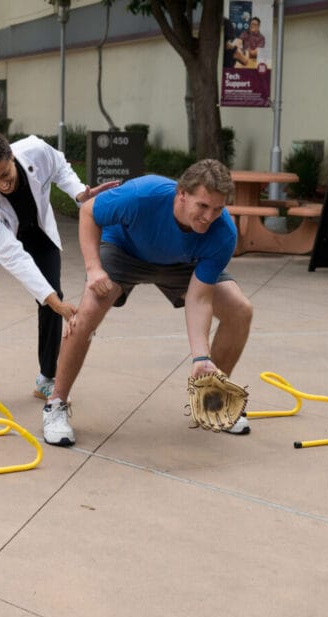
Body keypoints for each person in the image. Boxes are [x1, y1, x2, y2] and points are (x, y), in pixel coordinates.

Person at [42, 159, 254, 447]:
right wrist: (94, 268)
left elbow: (198, 297)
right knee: (88, 312)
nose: (209, 217)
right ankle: (56, 404)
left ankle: (211, 400)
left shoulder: (223, 232)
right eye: (202, 206)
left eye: (217, 209)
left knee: (240, 310)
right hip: (124, 251)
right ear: (181, 194)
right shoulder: (144, 195)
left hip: (181, 264)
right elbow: (89, 212)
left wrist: (200, 357)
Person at [0, 118, 120, 415]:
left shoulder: (36, 150)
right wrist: (54, 302)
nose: (2, 184)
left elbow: (60, 166)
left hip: (36, 229)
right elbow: (13, 256)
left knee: (53, 296)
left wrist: (79, 193)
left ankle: (46, 379)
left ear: (12, 156)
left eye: (4, 174)